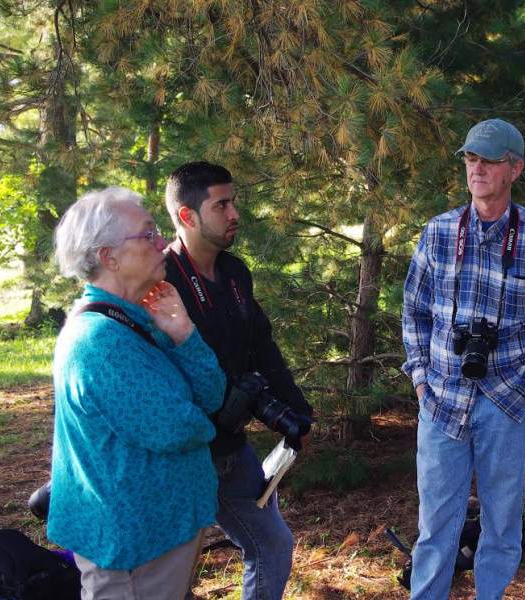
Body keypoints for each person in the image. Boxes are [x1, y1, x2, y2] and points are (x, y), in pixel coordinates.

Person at [402, 118, 525, 598]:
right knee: (435, 527)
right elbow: (413, 313)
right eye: (470, 158)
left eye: (489, 159)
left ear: (515, 168)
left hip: (508, 405)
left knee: (502, 527)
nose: (477, 168)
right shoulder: (438, 233)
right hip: (440, 402)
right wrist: (421, 381)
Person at [49, 187, 225, 600]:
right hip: (133, 544)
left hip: (158, 532)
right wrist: (207, 419)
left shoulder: (137, 318)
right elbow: (180, 428)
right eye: (147, 235)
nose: (162, 242)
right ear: (108, 256)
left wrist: (183, 332)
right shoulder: (101, 341)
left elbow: (213, 395)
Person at [163, 162, 313, 600]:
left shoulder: (234, 274)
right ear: (187, 216)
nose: (235, 214)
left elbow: (261, 344)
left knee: (273, 544)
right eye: (221, 205)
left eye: (234, 202)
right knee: (169, 573)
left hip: (231, 448)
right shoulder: (160, 280)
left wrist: (295, 410)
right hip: (184, 457)